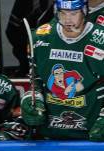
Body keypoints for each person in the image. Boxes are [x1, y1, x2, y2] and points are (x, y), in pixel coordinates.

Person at [21, 0, 104, 140]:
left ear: (84, 12)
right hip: (50, 131)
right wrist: (32, 100)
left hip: (93, 128)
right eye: (63, 13)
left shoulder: (100, 39)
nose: (67, 19)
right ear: (56, 12)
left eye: (74, 13)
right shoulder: (39, 37)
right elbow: (36, 79)